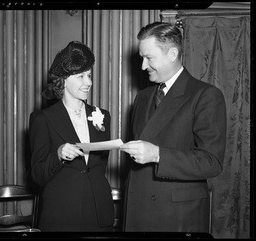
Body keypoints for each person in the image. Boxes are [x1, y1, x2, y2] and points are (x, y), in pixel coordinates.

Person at [120, 22, 227, 232]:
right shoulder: (143, 97)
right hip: (138, 210)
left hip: (177, 216)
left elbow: (211, 162)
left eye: (149, 58)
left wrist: (158, 154)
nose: (143, 66)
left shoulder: (205, 95)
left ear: (172, 53)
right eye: (142, 58)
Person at [29, 41, 114, 232]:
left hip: (99, 213)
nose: (89, 82)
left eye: (90, 75)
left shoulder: (103, 116)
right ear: (64, 80)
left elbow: (98, 167)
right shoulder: (42, 119)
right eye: (81, 76)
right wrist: (58, 155)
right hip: (62, 214)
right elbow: (37, 175)